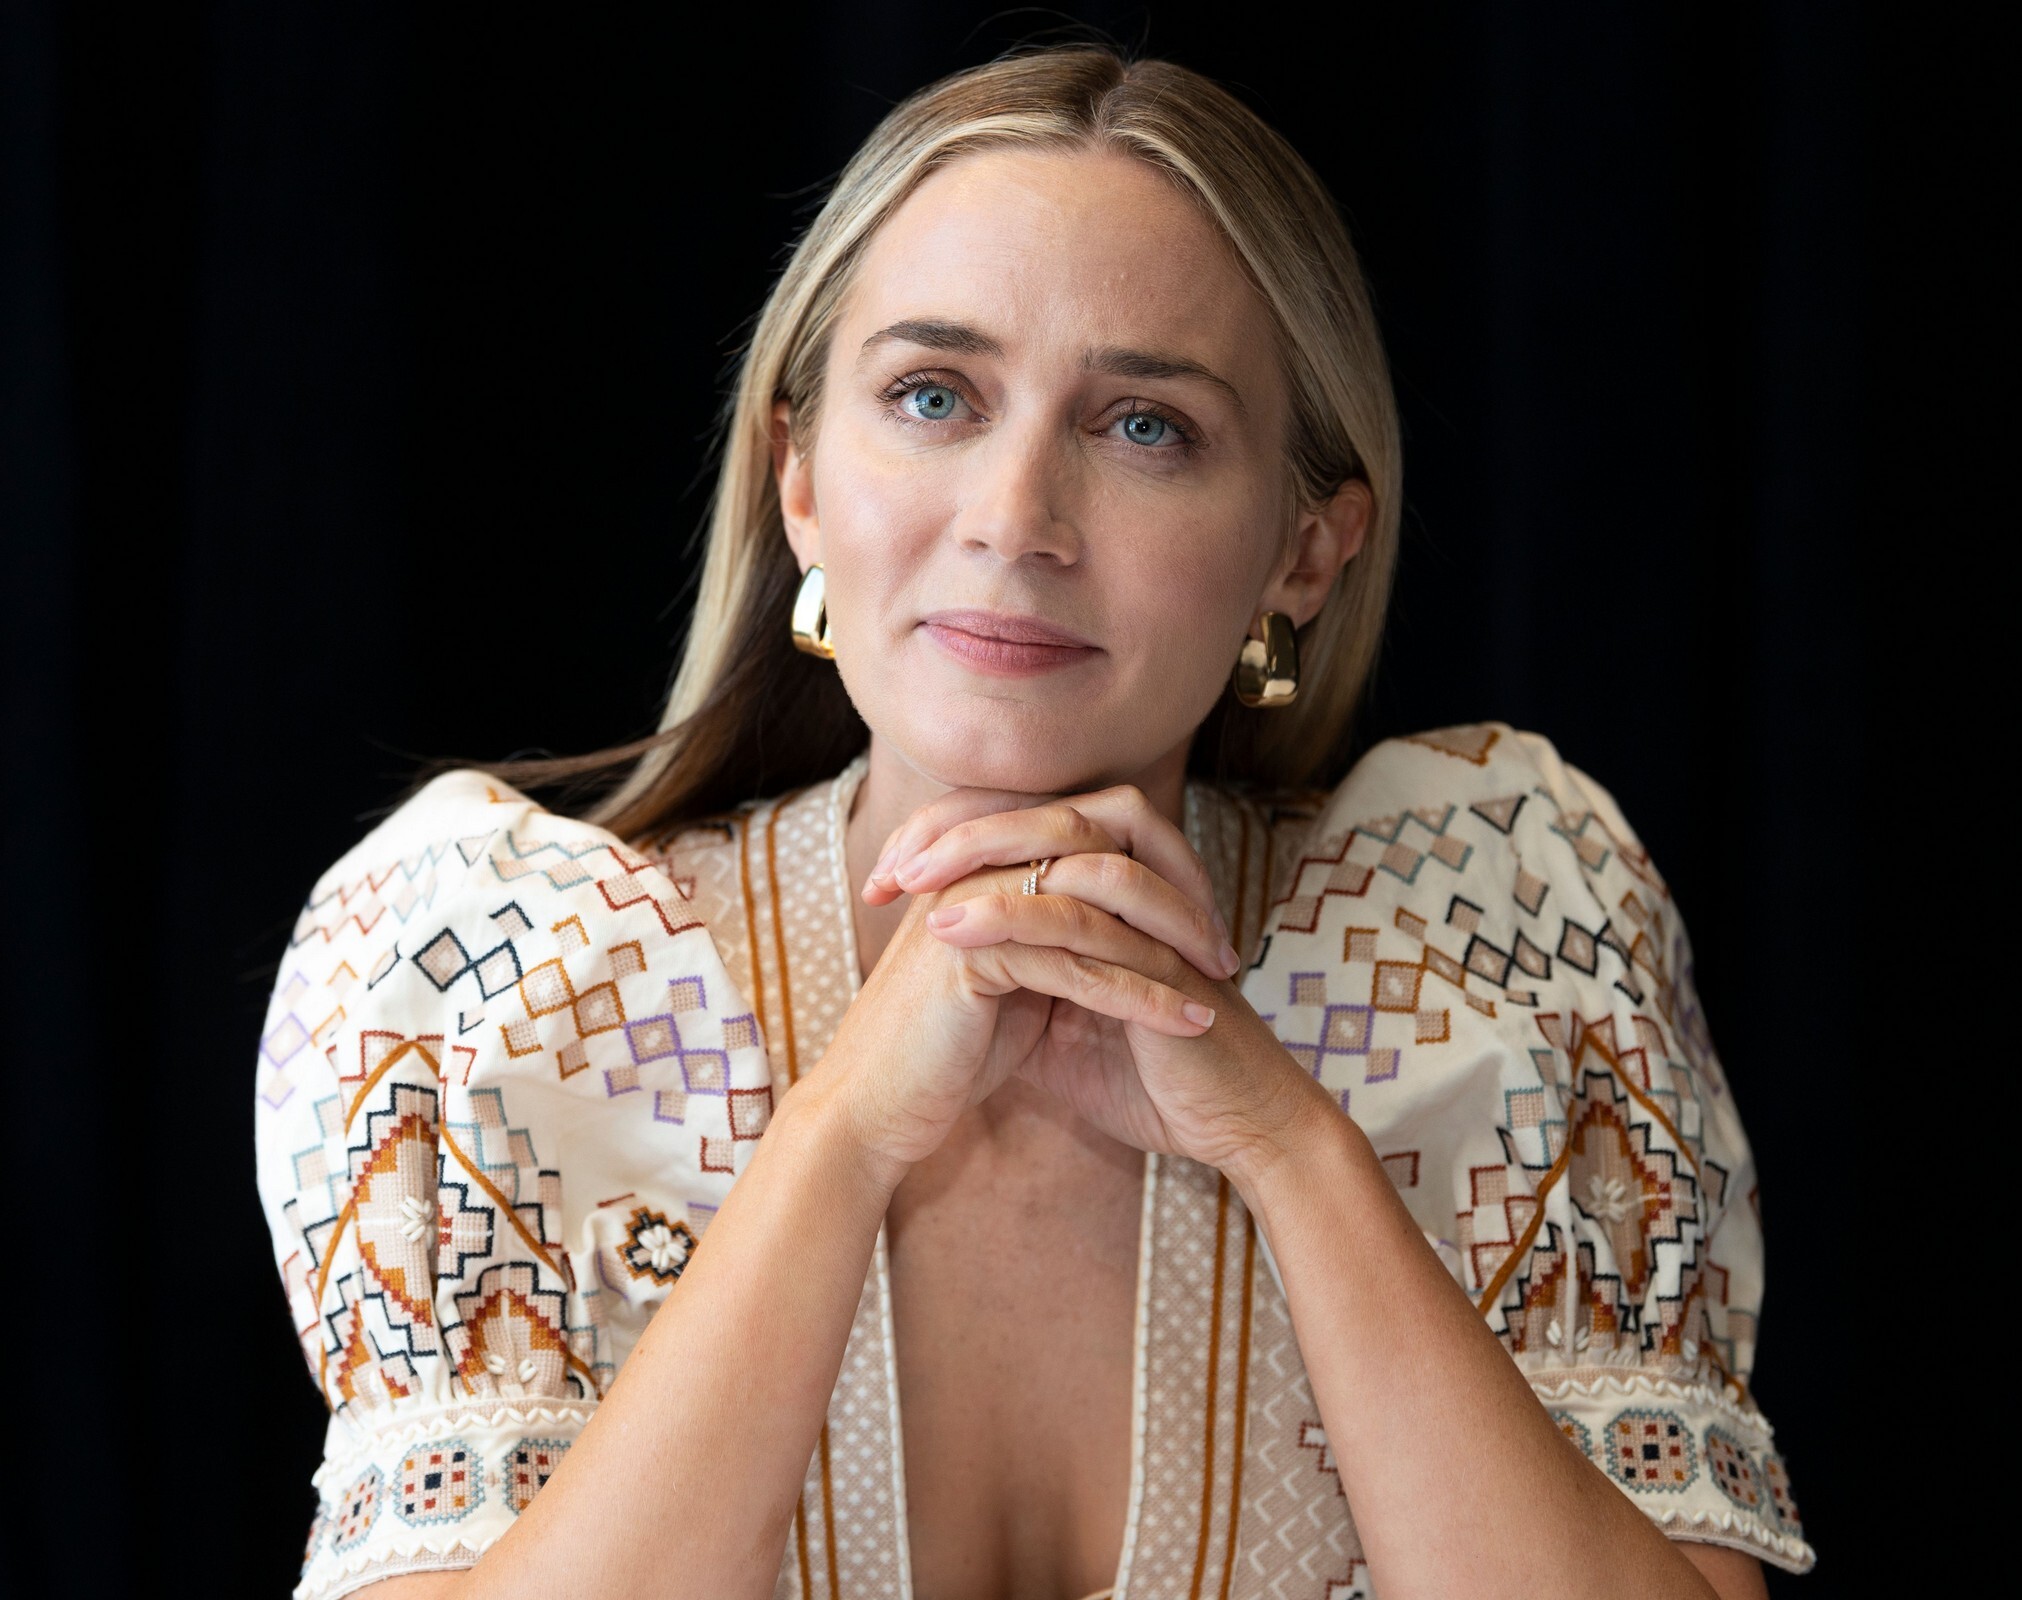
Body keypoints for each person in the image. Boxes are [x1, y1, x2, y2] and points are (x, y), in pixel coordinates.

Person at [253, 46, 1811, 1600]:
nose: (1015, 519)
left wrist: (1291, 1148)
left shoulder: (1497, 961)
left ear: (1306, 551)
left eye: (1145, 426)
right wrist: (841, 1134)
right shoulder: (498, 1004)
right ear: (799, 477)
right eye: (933, 396)